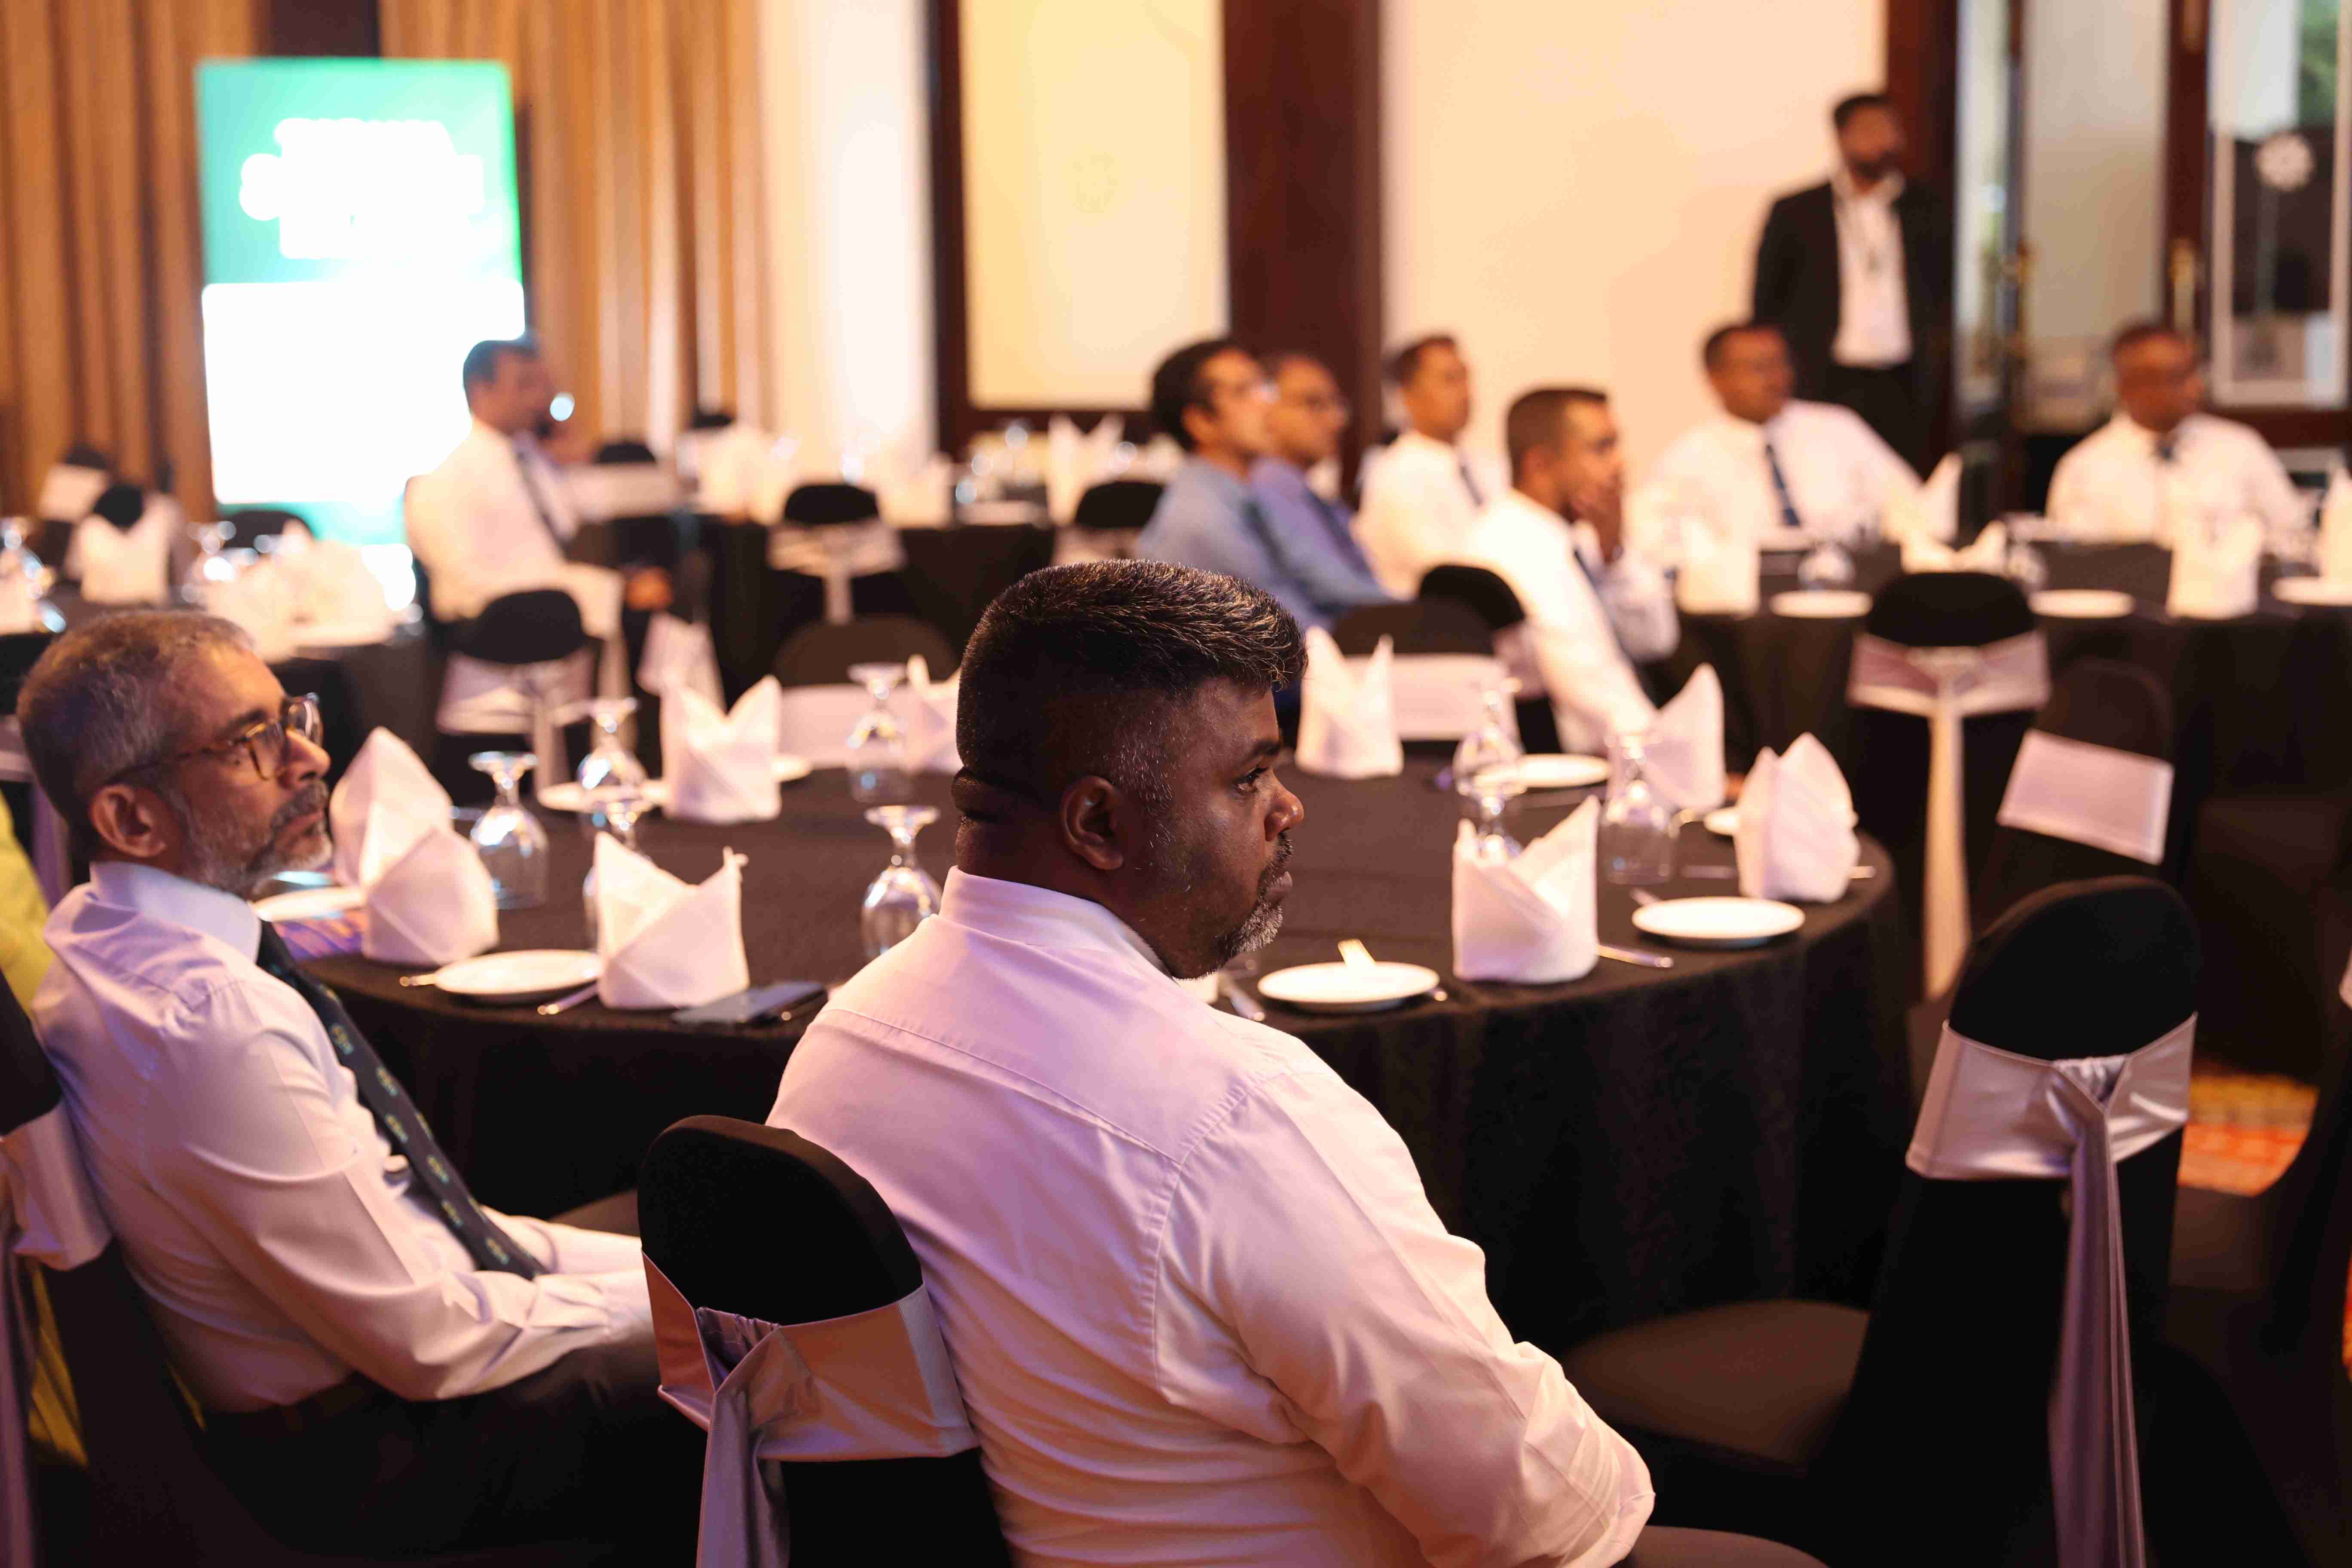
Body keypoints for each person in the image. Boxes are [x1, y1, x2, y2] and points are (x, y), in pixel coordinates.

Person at [768, 561, 1653, 1568]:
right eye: (1248, 778)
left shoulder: (839, 1043)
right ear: (1099, 824)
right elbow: (1536, 1512)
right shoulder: (1235, 1121)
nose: (1288, 809)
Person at [20, 612, 692, 1559]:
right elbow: (428, 1340)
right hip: (372, 1457)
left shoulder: (104, 941)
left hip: (388, 1356)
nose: (309, 758)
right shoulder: (206, 1022)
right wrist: (688, 1308)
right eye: (253, 743)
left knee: (693, 1231)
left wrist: (666, 1275)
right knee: (775, 1360)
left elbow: (428, 1231)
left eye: (290, 718)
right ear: (132, 820)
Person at [1463, 389, 1677, 753]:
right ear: (1540, 464)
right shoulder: (1515, 545)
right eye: (1601, 448)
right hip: (1583, 762)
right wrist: (1680, 765)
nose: (1620, 463)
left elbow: (1656, 640)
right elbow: (1597, 693)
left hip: (1616, 746)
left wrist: (1614, 555)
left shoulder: (1574, 533)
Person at [1752, 92, 1951, 471]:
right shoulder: (1797, 211)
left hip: (1904, 380)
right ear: (1842, 136)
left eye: (1890, 129)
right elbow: (1767, 301)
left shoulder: (1930, 209)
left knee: (1902, 478)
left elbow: (1945, 295)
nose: (1882, 141)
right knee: (1821, 474)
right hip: (1824, 376)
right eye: (1868, 129)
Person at [1136, 340, 1391, 634]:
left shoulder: (1243, 497)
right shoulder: (1203, 517)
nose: (1267, 405)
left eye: (1264, 388)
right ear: (1201, 422)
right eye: (1243, 392)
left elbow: (1318, 585)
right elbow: (1284, 632)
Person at [1639, 322, 1919, 551]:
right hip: (1743, 599)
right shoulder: (1687, 460)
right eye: (1760, 368)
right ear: (1716, 378)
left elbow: (1909, 506)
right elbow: (1656, 544)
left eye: (1782, 364)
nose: (1777, 379)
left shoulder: (1838, 428)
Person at [2043, 321, 2306, 543]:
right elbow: (2072, 564)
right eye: (2178, 377)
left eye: (2195, 372)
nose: (2196, 387)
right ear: (2128, 387)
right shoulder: (2084, 469)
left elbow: (2295, 535)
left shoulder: (2240, 447)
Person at [404, 337, 583, 623]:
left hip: (565, 618)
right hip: (508, 636)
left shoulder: (532, 460)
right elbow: (477, 589)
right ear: (481, 391)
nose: (539, 399)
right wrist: (604, 593)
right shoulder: (444, 483)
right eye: (525, 385)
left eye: (542, 386)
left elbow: (570, 537)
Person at [1355, 334, 1498, 596]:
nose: (1466, 392)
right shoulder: (1395, 475)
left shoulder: (1487, 466)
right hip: (1436, 612)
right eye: (1449, 380)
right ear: (1407, 395)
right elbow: (1447, 573)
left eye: (1465, 377)